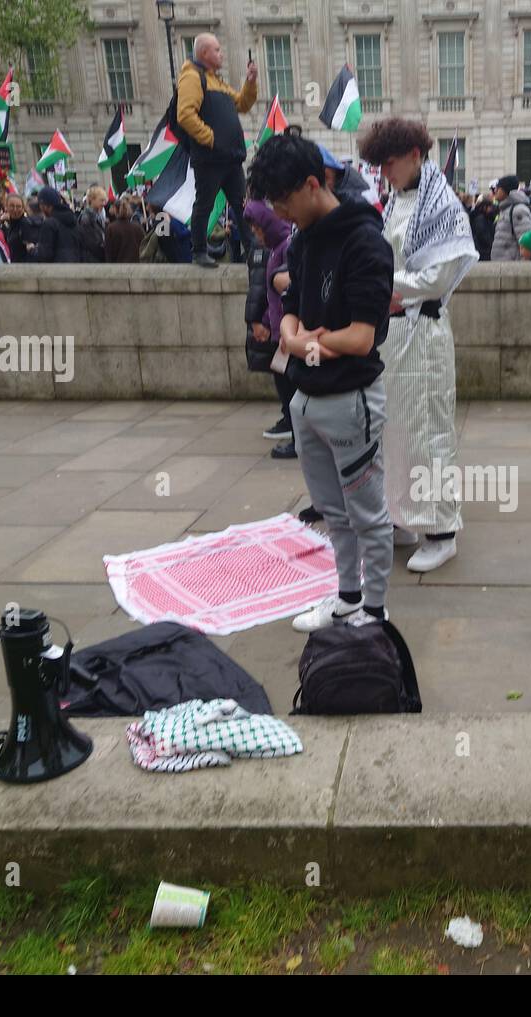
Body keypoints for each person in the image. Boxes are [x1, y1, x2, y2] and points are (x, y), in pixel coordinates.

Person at [245, 131, 395, 631]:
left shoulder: (364, 240)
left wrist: (302, 342)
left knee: (368, 513)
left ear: (313, 184)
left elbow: (361, 338)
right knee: (332, 511)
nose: (280, 213)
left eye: (284, 201)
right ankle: (347, 596)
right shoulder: (304, 241)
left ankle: (374, 611)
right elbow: (288, 311)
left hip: (351, 400)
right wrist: (298, 339)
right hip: (305, 400)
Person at [358, 117, 479, 573]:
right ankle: (403, 517)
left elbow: (439, 275)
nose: (383, 172)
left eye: (388, 163)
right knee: (396, 432)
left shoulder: (440, 203)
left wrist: (385, 285)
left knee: (427, 431)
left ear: (414, 154)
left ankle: (442, 530)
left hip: (422, 334)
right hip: (394, 333)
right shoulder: (400, 200)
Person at [176, 33, 258, 268]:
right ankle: (199, 250)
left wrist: (250, 81)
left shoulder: (216, 81)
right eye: (217, 50)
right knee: (204, 204)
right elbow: (185, 115)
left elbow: (242, 103)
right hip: (210, 157)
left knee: (242, 203)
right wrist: (210, 138)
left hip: (230, 157)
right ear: (204, 53)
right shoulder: (192, 77)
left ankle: (252, 247)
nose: (221, 54)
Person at [243, 198, 296, 458]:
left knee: (293, 384)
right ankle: (294, 428)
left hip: (289, 330)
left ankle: (298, 435)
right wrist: (265, 322)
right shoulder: (276, 248)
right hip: (279, 328)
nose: (255, 233)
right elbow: (268, 295)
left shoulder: (285, 246)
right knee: (283, 379)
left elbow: (286, 291)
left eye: (257, 227)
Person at [489, 175, 531, 261]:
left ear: (505, 190)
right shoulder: (505, 209)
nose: (495, 191)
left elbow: (527, 242)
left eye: (498, 188)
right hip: (502, 266)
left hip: (512, 268)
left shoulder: (518, 210)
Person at [35, 187, 84, 263]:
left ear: (44, 205)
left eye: (40, 204)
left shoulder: (49, 223)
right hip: (75, 266)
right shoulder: (73, 218)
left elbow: (45, 255)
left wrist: (33, 250)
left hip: (57, 270)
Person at [78, 185, 108, 263]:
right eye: (101, 200)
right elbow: (91, 244)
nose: (104, 203)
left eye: (104, 200)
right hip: (92, 260)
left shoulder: (97, 216)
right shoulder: (86, 218)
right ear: (92, 200)